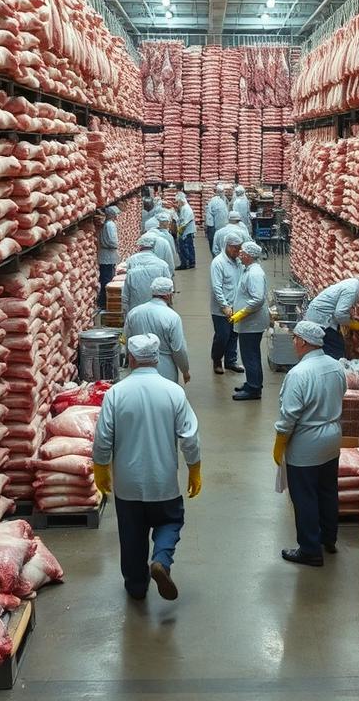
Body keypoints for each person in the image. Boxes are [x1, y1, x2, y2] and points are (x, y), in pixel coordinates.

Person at [93, 333, 201, 601]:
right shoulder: (174, 392)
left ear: (130, 358)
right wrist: (194, 468)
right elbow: (189, 436)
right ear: (156, 357)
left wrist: (101, 466)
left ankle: (136, 587)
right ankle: (161, 560)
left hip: (127, 483)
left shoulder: (116, 393)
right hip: (163, 480)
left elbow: (103, 437)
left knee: (132, 536)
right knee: (170, 521)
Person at [272, 321, 346, 567]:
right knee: (327, 490)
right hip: (332, 437)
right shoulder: (336, 366)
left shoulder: (299, 374)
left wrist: (280, 440)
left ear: (303, 342)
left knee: (304, 496)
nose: (293, 342)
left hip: (307, 442)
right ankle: (328, 538)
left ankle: (310, 549)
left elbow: (289, 414)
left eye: (295, 338)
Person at [124, 277, 191, 385]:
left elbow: (126, 340)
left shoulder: (134, 313)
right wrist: (185, 370)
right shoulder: (172, 317)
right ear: (168, 295)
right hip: (165, 369)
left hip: (137, 366)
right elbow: (179, 349)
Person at [304, 268, 359, 359]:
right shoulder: (353, 289)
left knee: (332, 345)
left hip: (321, 315)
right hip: (321, 318)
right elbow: (340, 314)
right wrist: (354, 325)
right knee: (335, 348)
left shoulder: (354, 284)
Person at [229, 240, 269, 400]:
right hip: (249, 322)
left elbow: (258, 299)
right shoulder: (249, 270)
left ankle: (253, 389)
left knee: (249, 355)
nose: (240, 254)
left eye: (243, 253)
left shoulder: (254, 274)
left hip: (251, 322)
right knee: (251, 354)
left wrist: (242, 313)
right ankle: (253, 383)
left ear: (249, 256)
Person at [209, 230, 246, 375]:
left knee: (234, 334)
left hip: (236, 306)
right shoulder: (218, 263)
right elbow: (216, 287)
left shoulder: (238, 262)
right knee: (222, 335)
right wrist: (224, 305)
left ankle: (231, 361)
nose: (238, 251)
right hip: (221, 309)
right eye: (236, 248)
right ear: (228, 246)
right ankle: (217, 360)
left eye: (239, 248)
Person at [121, 233, 172, 314]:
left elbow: (125, 296)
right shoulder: (162, 265)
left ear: (140, 246)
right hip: (158, 311)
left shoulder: (131, 261)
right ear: (154, 246)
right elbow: (169, 290)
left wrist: (127, 315)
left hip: (135, 309)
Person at [96, 205, 120, 310]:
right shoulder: (110, 225)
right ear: (112, 215)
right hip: (108, 256)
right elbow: (112, 241)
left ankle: (104, 301)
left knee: (105, 278)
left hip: (106, 255)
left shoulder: (106, 224)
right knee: (107, 279)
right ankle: (105, 302)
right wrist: (116, 245)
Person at [175, 191, 196, 270]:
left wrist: (180, 232)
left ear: (181, 200)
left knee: (185, 247)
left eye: (178, 202)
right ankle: (190, 262)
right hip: (186, 231)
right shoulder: (184, 208)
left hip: (187, 231)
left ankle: (186, 263)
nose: (178, 203)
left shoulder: (187, 209)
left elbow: (185, 222)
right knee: (188, 247)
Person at [204, 184, 228, 253]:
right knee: (214, 244)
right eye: (220, 191)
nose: (221, 193)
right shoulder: (213, 201)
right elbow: (209, 216)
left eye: (222, 191)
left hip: (222, 226)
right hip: (213, 227)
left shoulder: (224, 200)